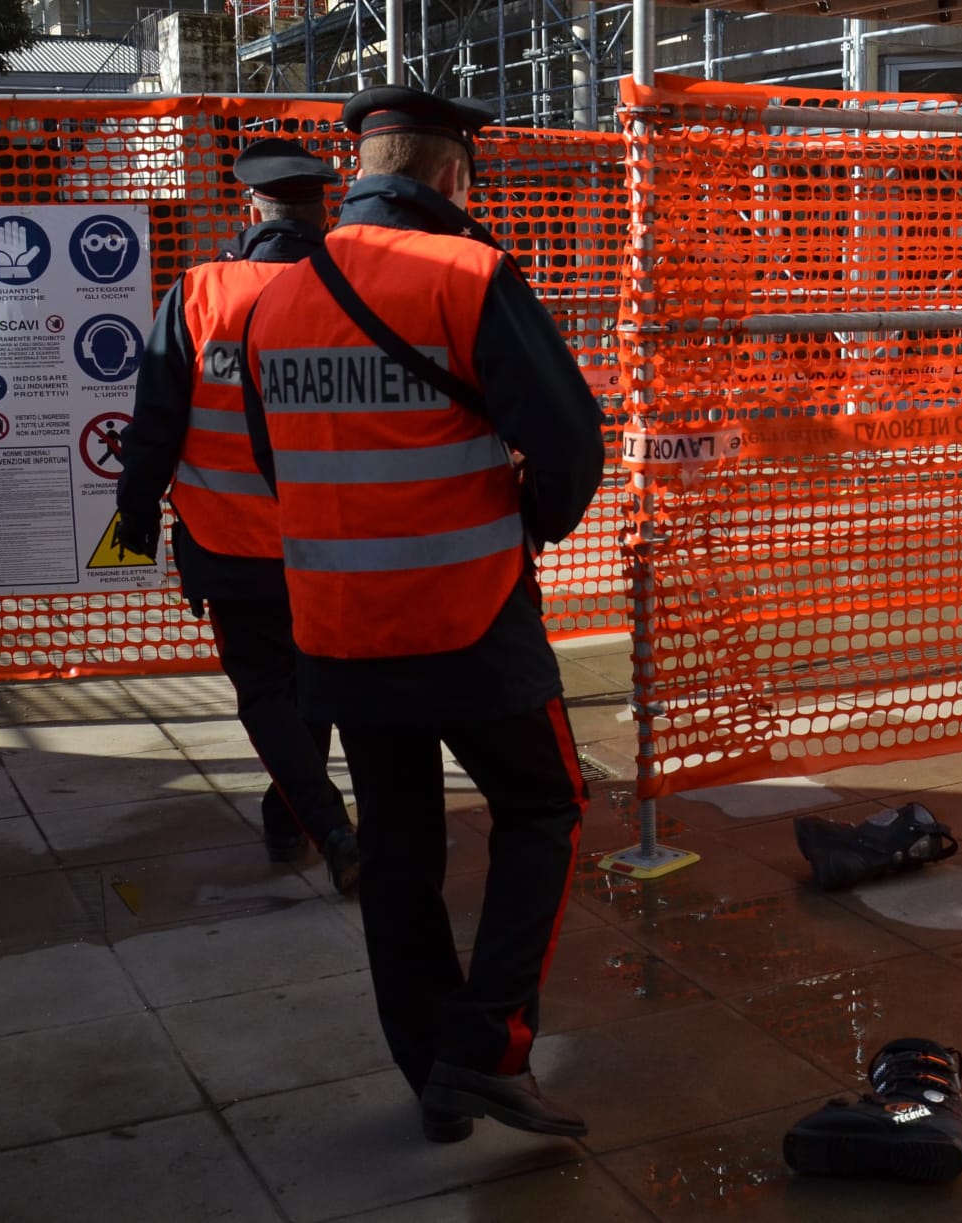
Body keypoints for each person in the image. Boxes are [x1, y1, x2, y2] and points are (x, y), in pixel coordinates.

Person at [240, 86, 605, 1143]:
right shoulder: (470, 274)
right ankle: (488, 1043)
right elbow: (571, 444)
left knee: (399, 848)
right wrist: (526, 520)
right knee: (545, 808)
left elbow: (275, 463)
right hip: (470, 614)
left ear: (363, 173)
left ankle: (431, 1073)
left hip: (339, 626)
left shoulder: (276, 300)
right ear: (453, 175)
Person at [114, 137, 359, 896]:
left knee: (266, 691)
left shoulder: (200, 291)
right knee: (309, 683)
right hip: (340, 540)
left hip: (231, 540)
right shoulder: (355, 287)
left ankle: (325, 827)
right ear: (323, 209)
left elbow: (156, 417)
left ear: (250, 206)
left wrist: (136, 509)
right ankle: (290, 818)